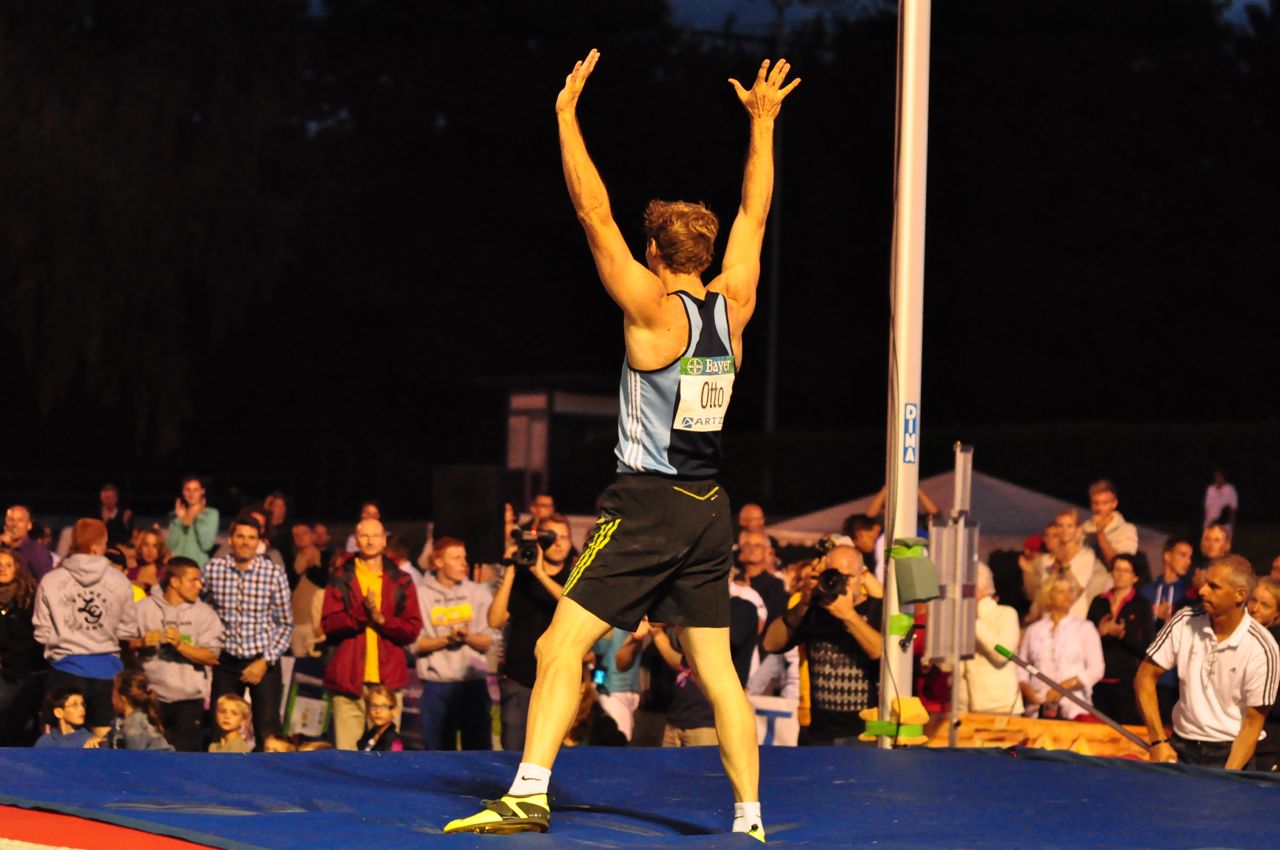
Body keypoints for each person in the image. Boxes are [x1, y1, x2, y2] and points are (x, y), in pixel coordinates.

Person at [445, 50, 797, 842]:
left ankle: (528, 793)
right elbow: (755, 212)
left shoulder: (649, 310)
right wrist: (764, 124)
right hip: (711, 508)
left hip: (649, 502)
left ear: (653, 255)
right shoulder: (733, 303)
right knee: (716, 671)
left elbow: (592, 213)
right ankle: (749, 821)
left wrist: (567, 117)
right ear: (704, 255)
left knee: (557, 642)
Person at [1136, 555, 1279, 769]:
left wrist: (1227, 776)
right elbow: (1145, 676)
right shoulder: (1184, 620)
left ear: (1239, 595)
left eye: (1214, 587)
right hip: (1180, 746)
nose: (1203, 591)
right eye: (1205, 583)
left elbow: (1253, 724)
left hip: (1231, 753)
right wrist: (1158, 740)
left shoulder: (1262, 647)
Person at [762, 545, 882, 744]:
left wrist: (850, 616)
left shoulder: (877, 607)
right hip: (819, 734)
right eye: (833, 575)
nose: (840, 583)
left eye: (847, 577)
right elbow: (771, 644)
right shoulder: (814, 609)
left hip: (864, 735)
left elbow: (882, 653)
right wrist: (802, 605)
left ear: (862, 576)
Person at [32, 518, 140, 737]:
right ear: (98, 546)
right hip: (106, 674)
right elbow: (128, 630)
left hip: (65, 670)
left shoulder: (51, 580)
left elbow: (41, 632)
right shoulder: (120, 581)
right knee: (103, 748)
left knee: (61, 750)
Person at [322, 517, 423, 750]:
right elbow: (328, 624)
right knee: (347, 757)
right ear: (356, 540)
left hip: (386, 683)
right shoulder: (341, 576)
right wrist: (362, 614)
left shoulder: (400, 579)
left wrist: (382, 620)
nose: (370, 541)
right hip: (349, 681)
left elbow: (412, 629)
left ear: (384, 541)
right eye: (364, 536)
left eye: (375, 536)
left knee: (385, 759)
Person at [202, 515, 293, 749]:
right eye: (240, 536)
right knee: (220, 725)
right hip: (226, 659)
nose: (245, 542)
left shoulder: (273, 574)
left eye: (251, 538)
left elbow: (285, 624)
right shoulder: (214, 570)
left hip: (263, 660)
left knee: (267, 728)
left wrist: (265, 661)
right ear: (230, 540)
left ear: (259, 542)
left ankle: (267, 781)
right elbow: (201, 608)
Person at [487, 514, 572, 752]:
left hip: (557, 683)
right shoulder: (522, 577)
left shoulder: (576, 574)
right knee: (512, 752)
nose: (558, 543)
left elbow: (570, 602)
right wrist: (511, 571)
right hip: (519, 681)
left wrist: (541, 574)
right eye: (552, 537)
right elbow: (495, 620)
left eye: (564, 537)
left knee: (553, 755)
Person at [133, 557, 224, 751]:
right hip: (150, 699)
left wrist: (181, 646)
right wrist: (140, 642)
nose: (200, 586)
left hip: (187, 702)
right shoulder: (143, 609)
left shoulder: (205, 614)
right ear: (174, 582)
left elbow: (212, 656)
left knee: (183, 763)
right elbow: (122, 644)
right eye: (194, 580)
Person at [414, 537, 496, 751]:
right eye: (456, 558)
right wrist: (448, 639)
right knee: (437, 755)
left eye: (464, 558)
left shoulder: (478, 593)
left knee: (479, 754)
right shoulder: (420, 594)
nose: (464, 563)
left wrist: (466, 637)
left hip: (473, 685)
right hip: (437, 686)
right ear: (439, 562)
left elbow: (489, 640)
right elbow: (415, 644)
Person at [1017, 574, 1104, 720]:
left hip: (1074, 707)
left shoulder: (1084, 628)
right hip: (1038, 706)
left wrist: (1065, 686)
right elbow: (1021, 667)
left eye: (1070, 591)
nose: (1067, 596)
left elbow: (1097, 669)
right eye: (1060, 591)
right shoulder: (1034, 630)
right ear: (1049, 594)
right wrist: (1027, 692)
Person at [1085, 554, 1154, 725]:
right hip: (1097, 683)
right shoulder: (1098, 601)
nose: (1120, 574)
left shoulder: (1142, 605)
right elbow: (1083, 640)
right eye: (1117, 569)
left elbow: (1148, 647)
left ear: (1135, 576)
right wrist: (1099, 633)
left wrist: (1122, 635)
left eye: (1125, 570)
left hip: (1126, 684)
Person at [957, 564, 1023, 715]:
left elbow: (1003, 654)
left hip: (1000, 707)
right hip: (962, 707)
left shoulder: (1005, 614)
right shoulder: (957, 618)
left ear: (981, 589)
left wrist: (974, 622)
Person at [0, 545, 47, 746]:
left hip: (23, 671)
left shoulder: (28, 599)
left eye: (8, 565)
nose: (2, 569)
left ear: (17, 568)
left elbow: (34, 639)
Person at [1247, 577, 1280, 771]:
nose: (1255, 608)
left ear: (1277, 613)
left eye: (1265, 605)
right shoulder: (1241, 635)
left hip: (1269, 744)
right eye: (1253, 600)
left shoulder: (1274, 644)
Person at [109, 669, 174, 750]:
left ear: (123, 698)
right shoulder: (126, 721)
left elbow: (135, 759)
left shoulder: (135, 726)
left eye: (113, 690)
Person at [1081, 480, 1139, 565]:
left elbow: (1120, 565)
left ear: (1114, 503)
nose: (1099, 508)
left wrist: (1100, 534)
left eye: (1104, 503)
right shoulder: (1084, 528)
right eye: (1095, 503)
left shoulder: (1127, 530)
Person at [166, 476, 219, 568]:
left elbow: (206, 545)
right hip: (177, 567)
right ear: (183, 492)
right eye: (187, 490)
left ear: (202, 491)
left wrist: (198, 517)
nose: (191, 494)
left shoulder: (210, 514)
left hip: (197, 568)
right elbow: (170, 546)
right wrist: (179, 520)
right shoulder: (176, 514)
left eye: (195, 490)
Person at [34, 688, 104, 749]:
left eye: (82, 704)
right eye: (75, 705)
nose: (81, 709)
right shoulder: (45, 743)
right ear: (59, 713)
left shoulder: (90, 742)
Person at [2, 505, 54, 580]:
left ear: (29, 525)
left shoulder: (37, 552)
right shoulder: (2, 548)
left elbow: (46, 583)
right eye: (11, 520)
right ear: (5, 524)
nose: (14, 524)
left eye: (20, 520)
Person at [356, 683, 405, 752]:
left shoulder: (394, 742)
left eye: (384, 707)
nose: (378, 711)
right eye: (374, 706)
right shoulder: (367, 737)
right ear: (367, 709)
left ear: (394, 710)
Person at [129, 528, 167, 596]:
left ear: (160, 548)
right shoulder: (131, 572)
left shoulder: (165, 574)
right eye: (146, 544)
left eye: (155, 546)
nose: (150, 550)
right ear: (140, 547)